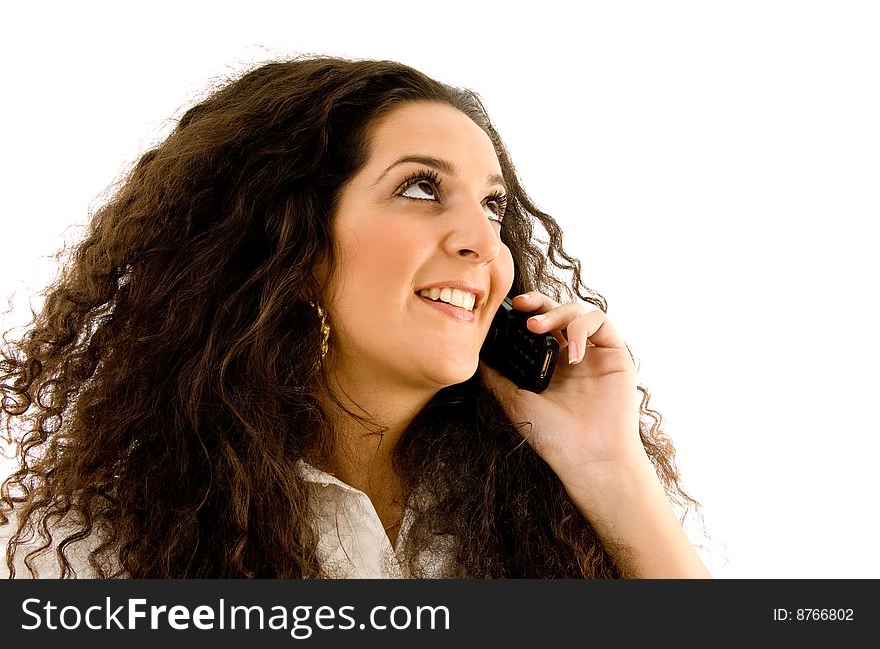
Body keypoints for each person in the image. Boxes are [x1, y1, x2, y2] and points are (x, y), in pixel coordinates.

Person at [1, 56, 710, 579]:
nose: (482, 242)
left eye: (492, 206)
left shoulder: (540, 503)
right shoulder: (94, 544)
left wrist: (607, 462)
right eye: (420, 187)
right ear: (295, 245)